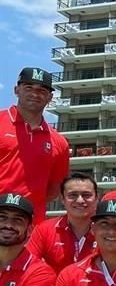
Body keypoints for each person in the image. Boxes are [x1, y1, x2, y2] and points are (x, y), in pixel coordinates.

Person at [0, 67, 70, 218]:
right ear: (16, 90)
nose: (35, 94)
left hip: (32, 223)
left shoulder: (59, 142)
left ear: (50, 97)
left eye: (42, 91)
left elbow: (54, 189)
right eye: (29, 87)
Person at [27, 172, 98, 272]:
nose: (80, 200)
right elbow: (28, 264)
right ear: (62, 199)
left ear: (96, 199)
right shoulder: (44, 230)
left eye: (86, 195)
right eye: (72, 195)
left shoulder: (108, 231)